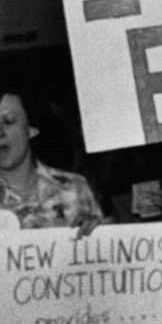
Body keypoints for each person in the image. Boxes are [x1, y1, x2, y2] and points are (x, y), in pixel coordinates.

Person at [0, 84, 103, 232]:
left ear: (32, 129)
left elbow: (103, 251)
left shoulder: (75, 187)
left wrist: (96, 232)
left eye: (9, 121)